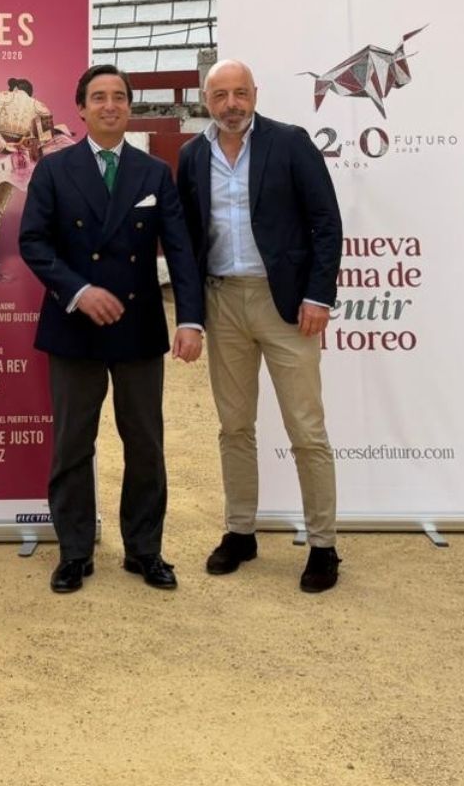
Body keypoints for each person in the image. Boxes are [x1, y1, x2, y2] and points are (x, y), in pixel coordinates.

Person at [19, 64, 205, 594]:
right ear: (80, 108)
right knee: (73, 443)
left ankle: (144, 550)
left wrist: (189, 319)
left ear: (129, 107)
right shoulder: (53, 170)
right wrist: (79, 291)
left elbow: (182, 251)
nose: (109, 105)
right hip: (74, 325)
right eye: (98, 97)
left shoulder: (153, 173)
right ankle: (74, 552)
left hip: (137, 324)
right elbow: (34, 243)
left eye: (118, 97)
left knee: (145, 442)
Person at [175, 60, 345, 593]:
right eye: (221, 95)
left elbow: (326, 222)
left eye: (240, 93)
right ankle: (240, 531)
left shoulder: (290, 143)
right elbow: (187, 245)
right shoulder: (192, 155)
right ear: (207, 100)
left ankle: (323, 545)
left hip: (286, 305)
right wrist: (191, 317)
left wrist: (318, 294)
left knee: (306, 427)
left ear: (255, 95)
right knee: (234, 426)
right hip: (223, 301)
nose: (231, 104)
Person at [0, 77, 56, 280]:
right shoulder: (38, 106)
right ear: (29, 91)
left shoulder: (0, 97)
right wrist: (25, 144)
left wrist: (0, 144)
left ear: (16, 88)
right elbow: (46, 139)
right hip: (10, 160)